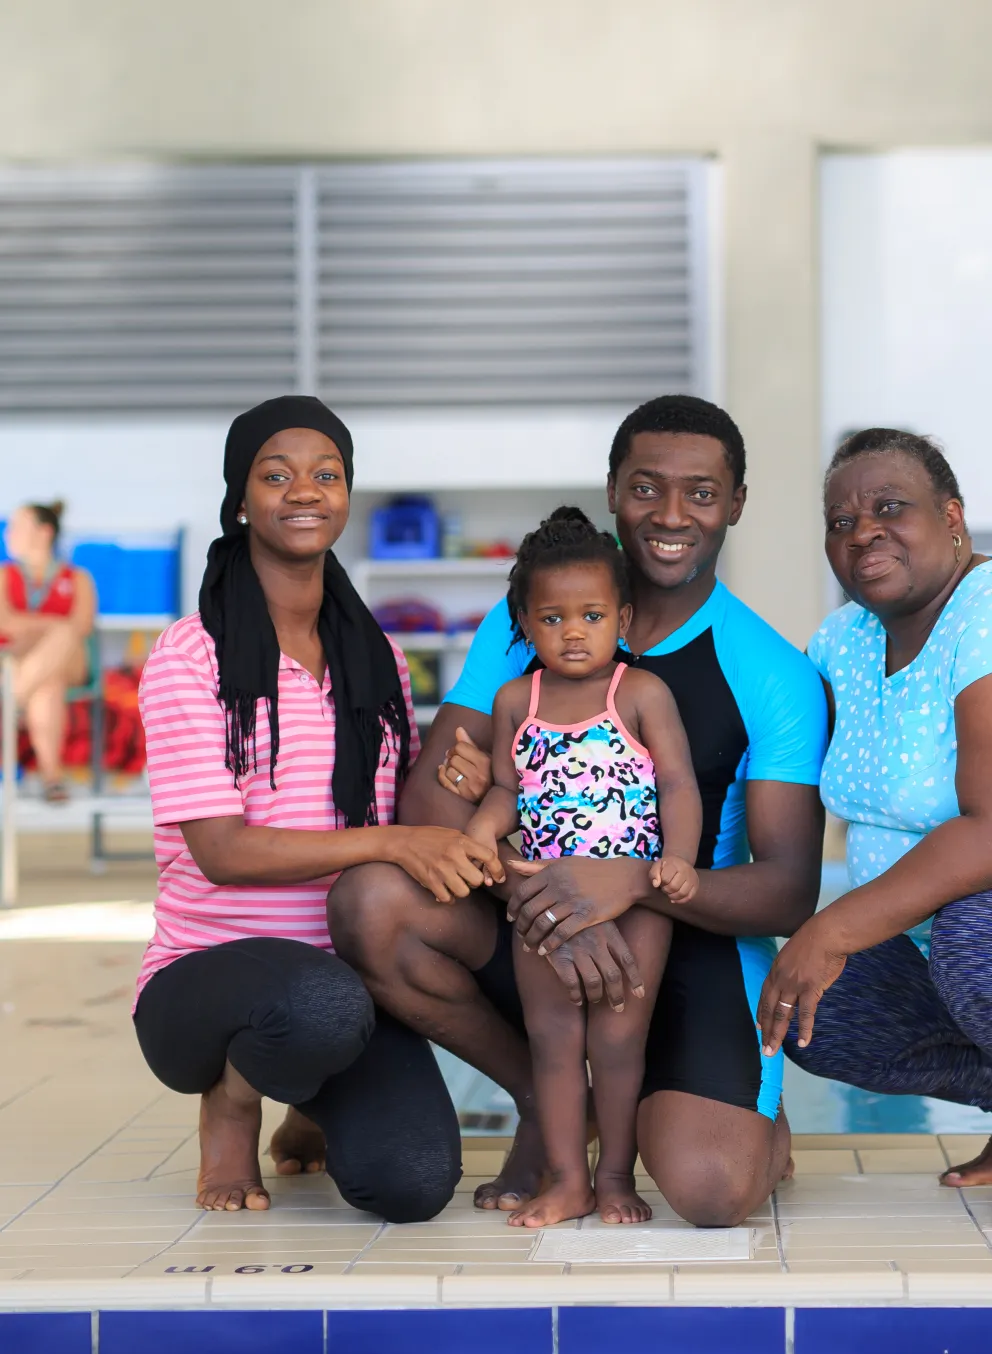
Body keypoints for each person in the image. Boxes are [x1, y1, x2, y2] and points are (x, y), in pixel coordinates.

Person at [330, 395, 828, 1227]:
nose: (671, 515)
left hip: (685, 937)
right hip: (530, 918)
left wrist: (629, 883)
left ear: (736, 503)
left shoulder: (773, 674)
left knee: (711, 1191)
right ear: (610, 490)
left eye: (702, 493)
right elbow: (431, 802)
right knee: (371, 899)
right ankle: (547, 1101)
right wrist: (556, 901)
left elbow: (786, 890)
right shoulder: (526, 625)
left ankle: (756, 1126)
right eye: (646, 487)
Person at [135, 395, 500, 1219]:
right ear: (240, 500)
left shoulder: (379, 662)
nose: (305, 491)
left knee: (411, 1182)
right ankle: (234, 1101)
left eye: (326, 475)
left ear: (346, 495)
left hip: (346, 974)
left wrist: (460, 781)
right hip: (206, 980)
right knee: (317, 1003)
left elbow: (404, 807)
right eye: (277, 475)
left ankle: (306, 1103)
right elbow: (223, 852)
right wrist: (396, 841)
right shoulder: (191, 657)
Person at [756, 429, 992, 1186]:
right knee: (815, 1013)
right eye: (841, 521)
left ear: (952, 517)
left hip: (970, 929)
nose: (863, 533)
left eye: (890, 507)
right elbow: (756, 748)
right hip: (926, 942)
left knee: (970, 936)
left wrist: (834, 925)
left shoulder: (986, 614)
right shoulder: (845, 639)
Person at [465, 507, 701, 1227]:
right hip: (543, 903)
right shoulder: (516, 702)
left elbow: (677, 784)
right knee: (555, 1042)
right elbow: (507, 790)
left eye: (592, 614)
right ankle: (567, 1179)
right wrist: (479, 832)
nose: (573, 631)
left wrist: (679, 862)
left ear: (621, 619)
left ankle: (618, 1180)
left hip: (636, 903)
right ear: (525, 625)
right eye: (553, 617)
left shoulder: (640, 693)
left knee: (620, 1040)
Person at [0, 502, 96, 801]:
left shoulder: (78, 577)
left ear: (44, 532)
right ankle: (52, 778)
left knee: (65, 635)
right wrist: (53, 624)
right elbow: (4, 622)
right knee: (47, 687)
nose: (9, 534)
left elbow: (80, 626)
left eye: (17, 526)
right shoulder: (5, 574)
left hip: (68, 662)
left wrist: (35, 628)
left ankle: (13, 699)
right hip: (24, 664)